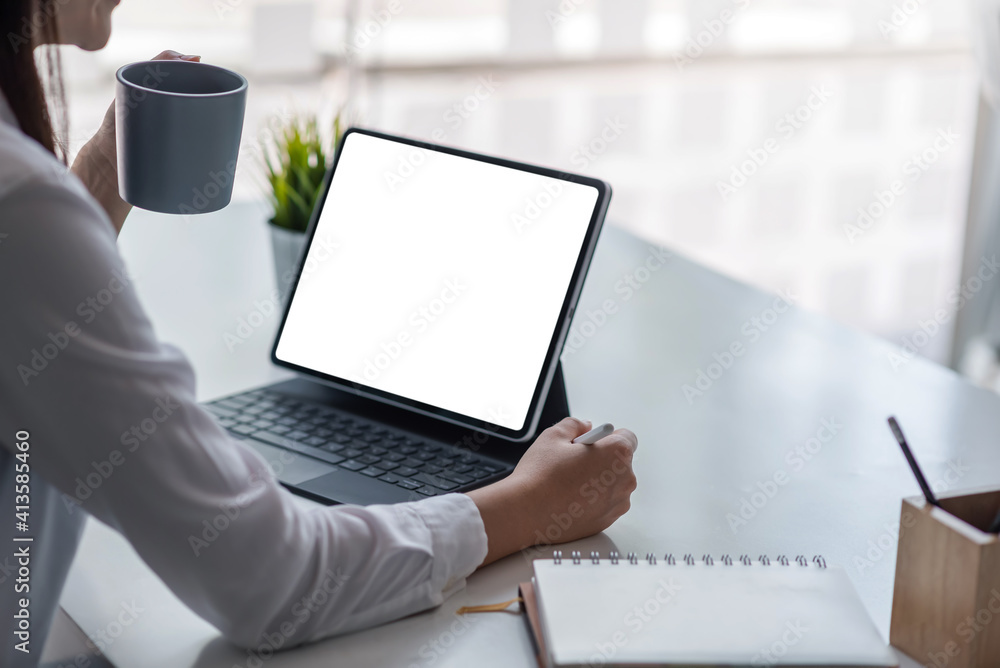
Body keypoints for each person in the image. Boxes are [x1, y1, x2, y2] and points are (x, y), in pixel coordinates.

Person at [0, 1, 638, 665]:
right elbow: (271, 583)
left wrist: (102, 174)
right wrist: (531, 505)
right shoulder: (19, 201)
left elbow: (27, 332)